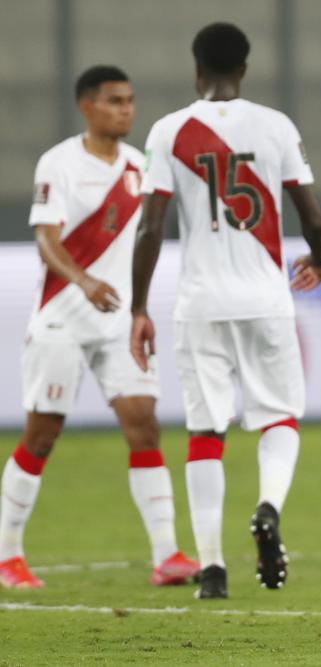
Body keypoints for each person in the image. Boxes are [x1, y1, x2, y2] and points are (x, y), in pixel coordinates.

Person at [131, 23, 321, 599]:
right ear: (244, 68)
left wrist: (139, 308)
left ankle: (213, 571)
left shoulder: (169, 132)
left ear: (197, 69)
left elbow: (150, 225)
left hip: (199, 302)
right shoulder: (275, 127)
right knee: (279, 416)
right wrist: (316, 257)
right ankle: (268, 507)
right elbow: (312, 215)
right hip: (265, 297)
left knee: (204, 430)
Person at [0, 65, 199, 589]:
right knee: (42, 435)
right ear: (87, 107)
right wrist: (83, 281)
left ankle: (166, 555)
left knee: (144, 423)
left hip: (118, 321)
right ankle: (8, 555)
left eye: (130, 100)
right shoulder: (59, 163)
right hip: (63, 317)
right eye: (115, 101)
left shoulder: (141, 166)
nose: (126, 110)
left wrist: (139, 310)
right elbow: (47, 238)